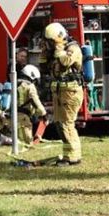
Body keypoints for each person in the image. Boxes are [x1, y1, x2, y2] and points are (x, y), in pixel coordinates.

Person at [44, 22, 83, 165]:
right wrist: (46, 53)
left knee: (67, 123)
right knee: (60, 124)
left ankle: (73, 156)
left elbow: (66, 62)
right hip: (60, 92)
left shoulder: (73, 48)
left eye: (51, 41)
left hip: (70, 92)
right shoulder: (54, 51)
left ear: (59, 38)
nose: (50, 44)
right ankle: (69, 155)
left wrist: (59, 49)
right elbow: (45, 68)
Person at [17, 64, 47, 146]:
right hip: (23, 118)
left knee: (18, 140)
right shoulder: (29, 86)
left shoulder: (15, 84)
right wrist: (43, 114)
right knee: (26, 143)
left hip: (12, 116)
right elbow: (35, 101)